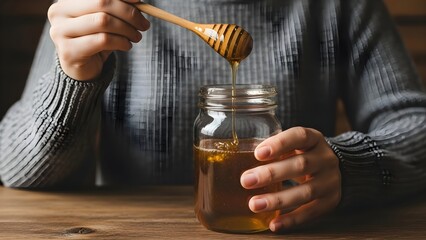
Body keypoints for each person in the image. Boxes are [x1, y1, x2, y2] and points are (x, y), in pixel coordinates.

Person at [1, 0, 426, 233]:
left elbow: (415, 123)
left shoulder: (339, 7)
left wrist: (350, 164)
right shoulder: (100, 8)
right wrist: (73, 76)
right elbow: (14, 166)